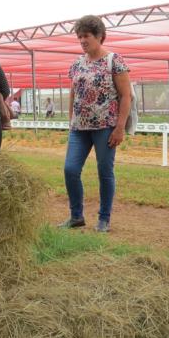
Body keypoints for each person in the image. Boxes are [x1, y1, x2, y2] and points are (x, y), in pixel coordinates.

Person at [59, 15, 131, 232]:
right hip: (79, 128)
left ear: (100, 36)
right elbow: (73, 93)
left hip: (106, 127)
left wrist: (120, 128)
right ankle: (76, 216)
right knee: (70, 169)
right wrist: (71, 118)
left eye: (87, 36)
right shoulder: (77, 64)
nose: (82, 40)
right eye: (79, 36)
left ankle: (104, 219)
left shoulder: (114, 61)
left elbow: (126, 96)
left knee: (104, 172)